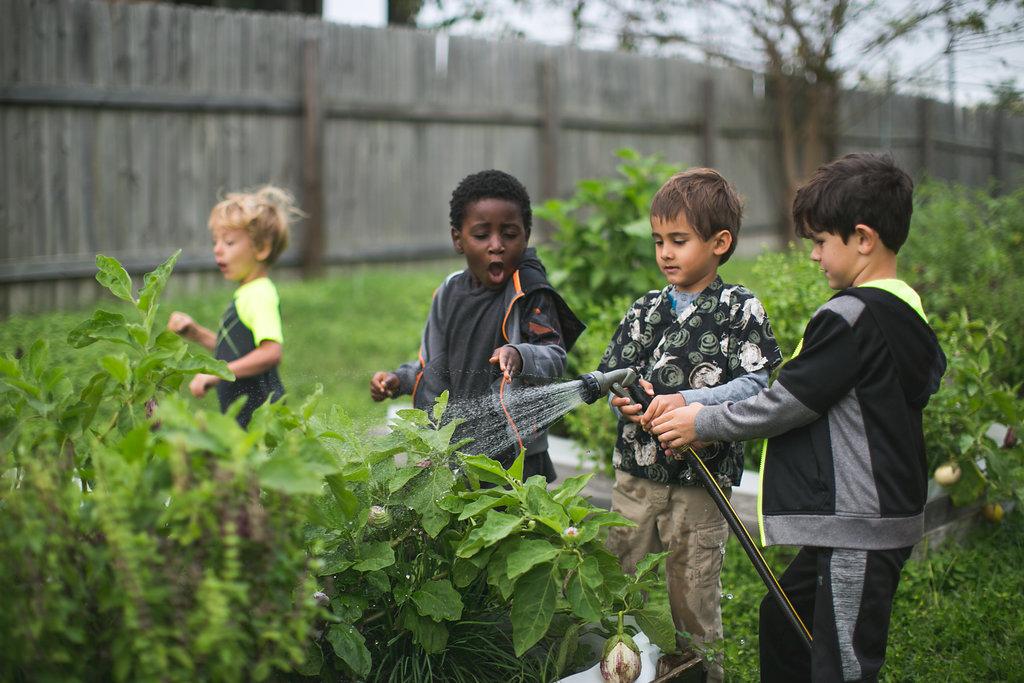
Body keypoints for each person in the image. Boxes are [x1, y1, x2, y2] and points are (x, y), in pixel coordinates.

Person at [648, 153, 947, 682]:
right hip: (869, 517)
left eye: (819, 241)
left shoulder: (850, 317)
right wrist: (697, 404)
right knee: (784, 620)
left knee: (843, 662)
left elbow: (786, 402)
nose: (813, 256)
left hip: (859, 524)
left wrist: (700, 421)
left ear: (862, 238)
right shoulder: (906, 309)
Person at [598, 168, 783, 680]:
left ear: (719, 243)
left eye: (679, 240)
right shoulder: (645, 310)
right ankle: (613, 662)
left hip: (701, 483)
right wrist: (626, 401)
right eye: (659, 240)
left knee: (692, 589)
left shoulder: (738, 310)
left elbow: (755, 386)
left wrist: (689, 402)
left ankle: (699, 672)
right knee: (614, 577)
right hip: (636, 475)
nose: (665, 253)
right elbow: (619, 374)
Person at [369, 169, 584, 481]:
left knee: (512, 527)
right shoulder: (448, 293)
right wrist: (398, 380)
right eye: (482, 235)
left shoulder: (530, 292)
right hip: (453, 449)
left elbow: (554, 354)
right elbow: (432, 365)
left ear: (525, 234)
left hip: (514, 453)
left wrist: (520, 354)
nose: (496, 245)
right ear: (458, 238)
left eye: (509, 234)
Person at [168, 186, 298, 428]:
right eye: (215, 241)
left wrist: (217, 373)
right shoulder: (248, 292)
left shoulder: (259, 294)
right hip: (248, 419)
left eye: (228, 242)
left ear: (262, 248)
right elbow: (238, 350)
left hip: (262, 420)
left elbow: (271, 353)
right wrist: (195, 333)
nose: (217, 249)